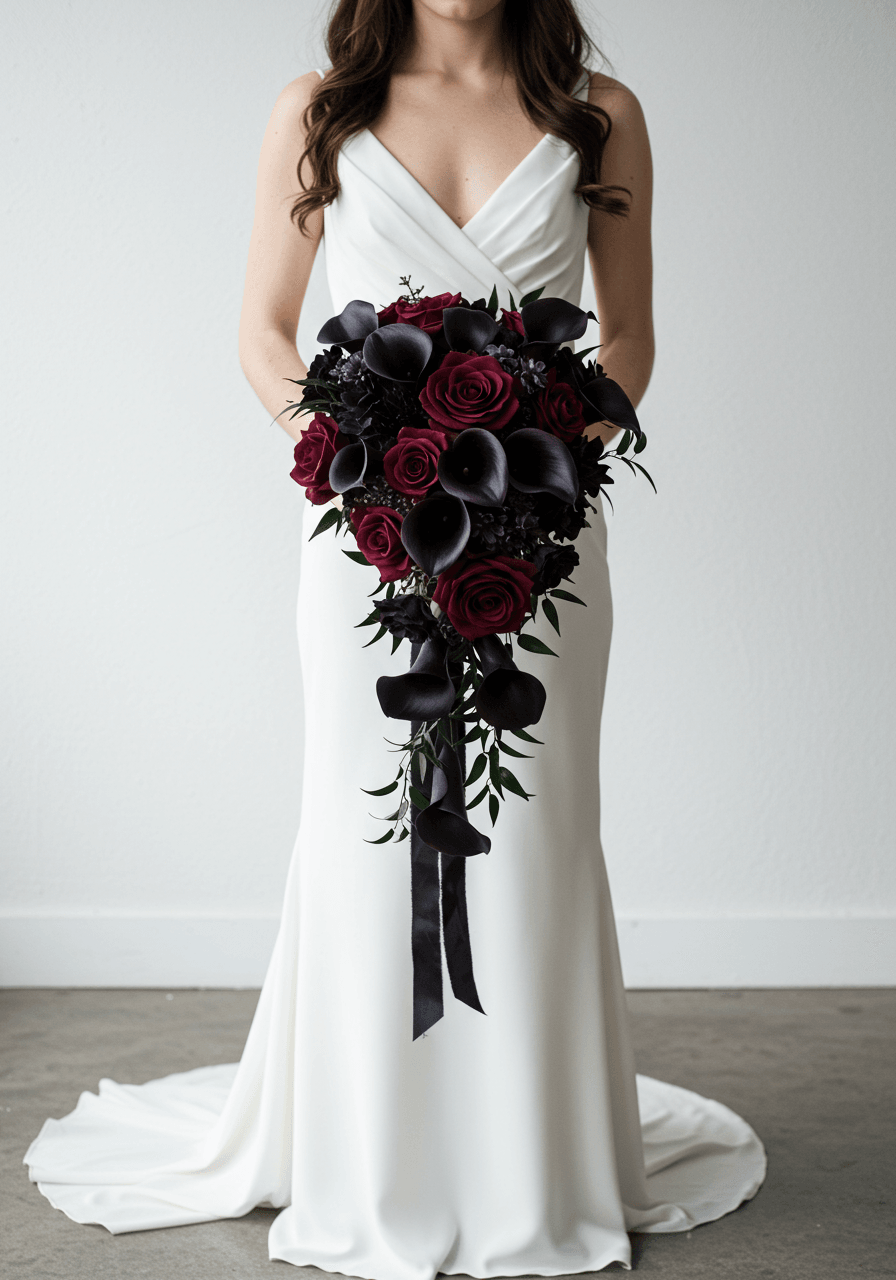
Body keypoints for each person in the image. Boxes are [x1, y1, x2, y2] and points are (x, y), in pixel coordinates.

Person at [24, 1, 766, 1274]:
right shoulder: (317, 110)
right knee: (365, 829)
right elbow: (262, 330)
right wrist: (358, 473)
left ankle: (533, 1158)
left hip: (543, 541)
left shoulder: (602, 115)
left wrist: (546, 473)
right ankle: (371, 1155)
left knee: (533, 826)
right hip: (363, 534)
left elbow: (628, 339)